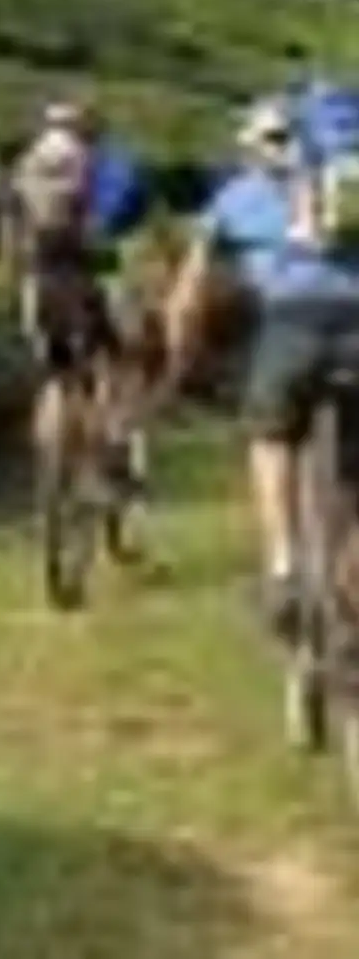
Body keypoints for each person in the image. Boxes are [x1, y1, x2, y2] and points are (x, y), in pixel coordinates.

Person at [160, 82, 359, 635]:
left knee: (269, 438)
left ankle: (284, 565)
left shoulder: (239, 195)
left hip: (292, 329)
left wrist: (179, 357)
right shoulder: (351, 184)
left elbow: (188, 292)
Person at [0, 95, 152, 489]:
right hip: (97, 280)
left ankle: (49, 464)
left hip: (40, 282)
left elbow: (9, 232)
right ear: (92, 130)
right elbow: (134, 220)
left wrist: (14, 280)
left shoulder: (25, 166)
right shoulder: (112, 166)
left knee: (55, 374)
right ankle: (116, 447)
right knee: (122, 360)